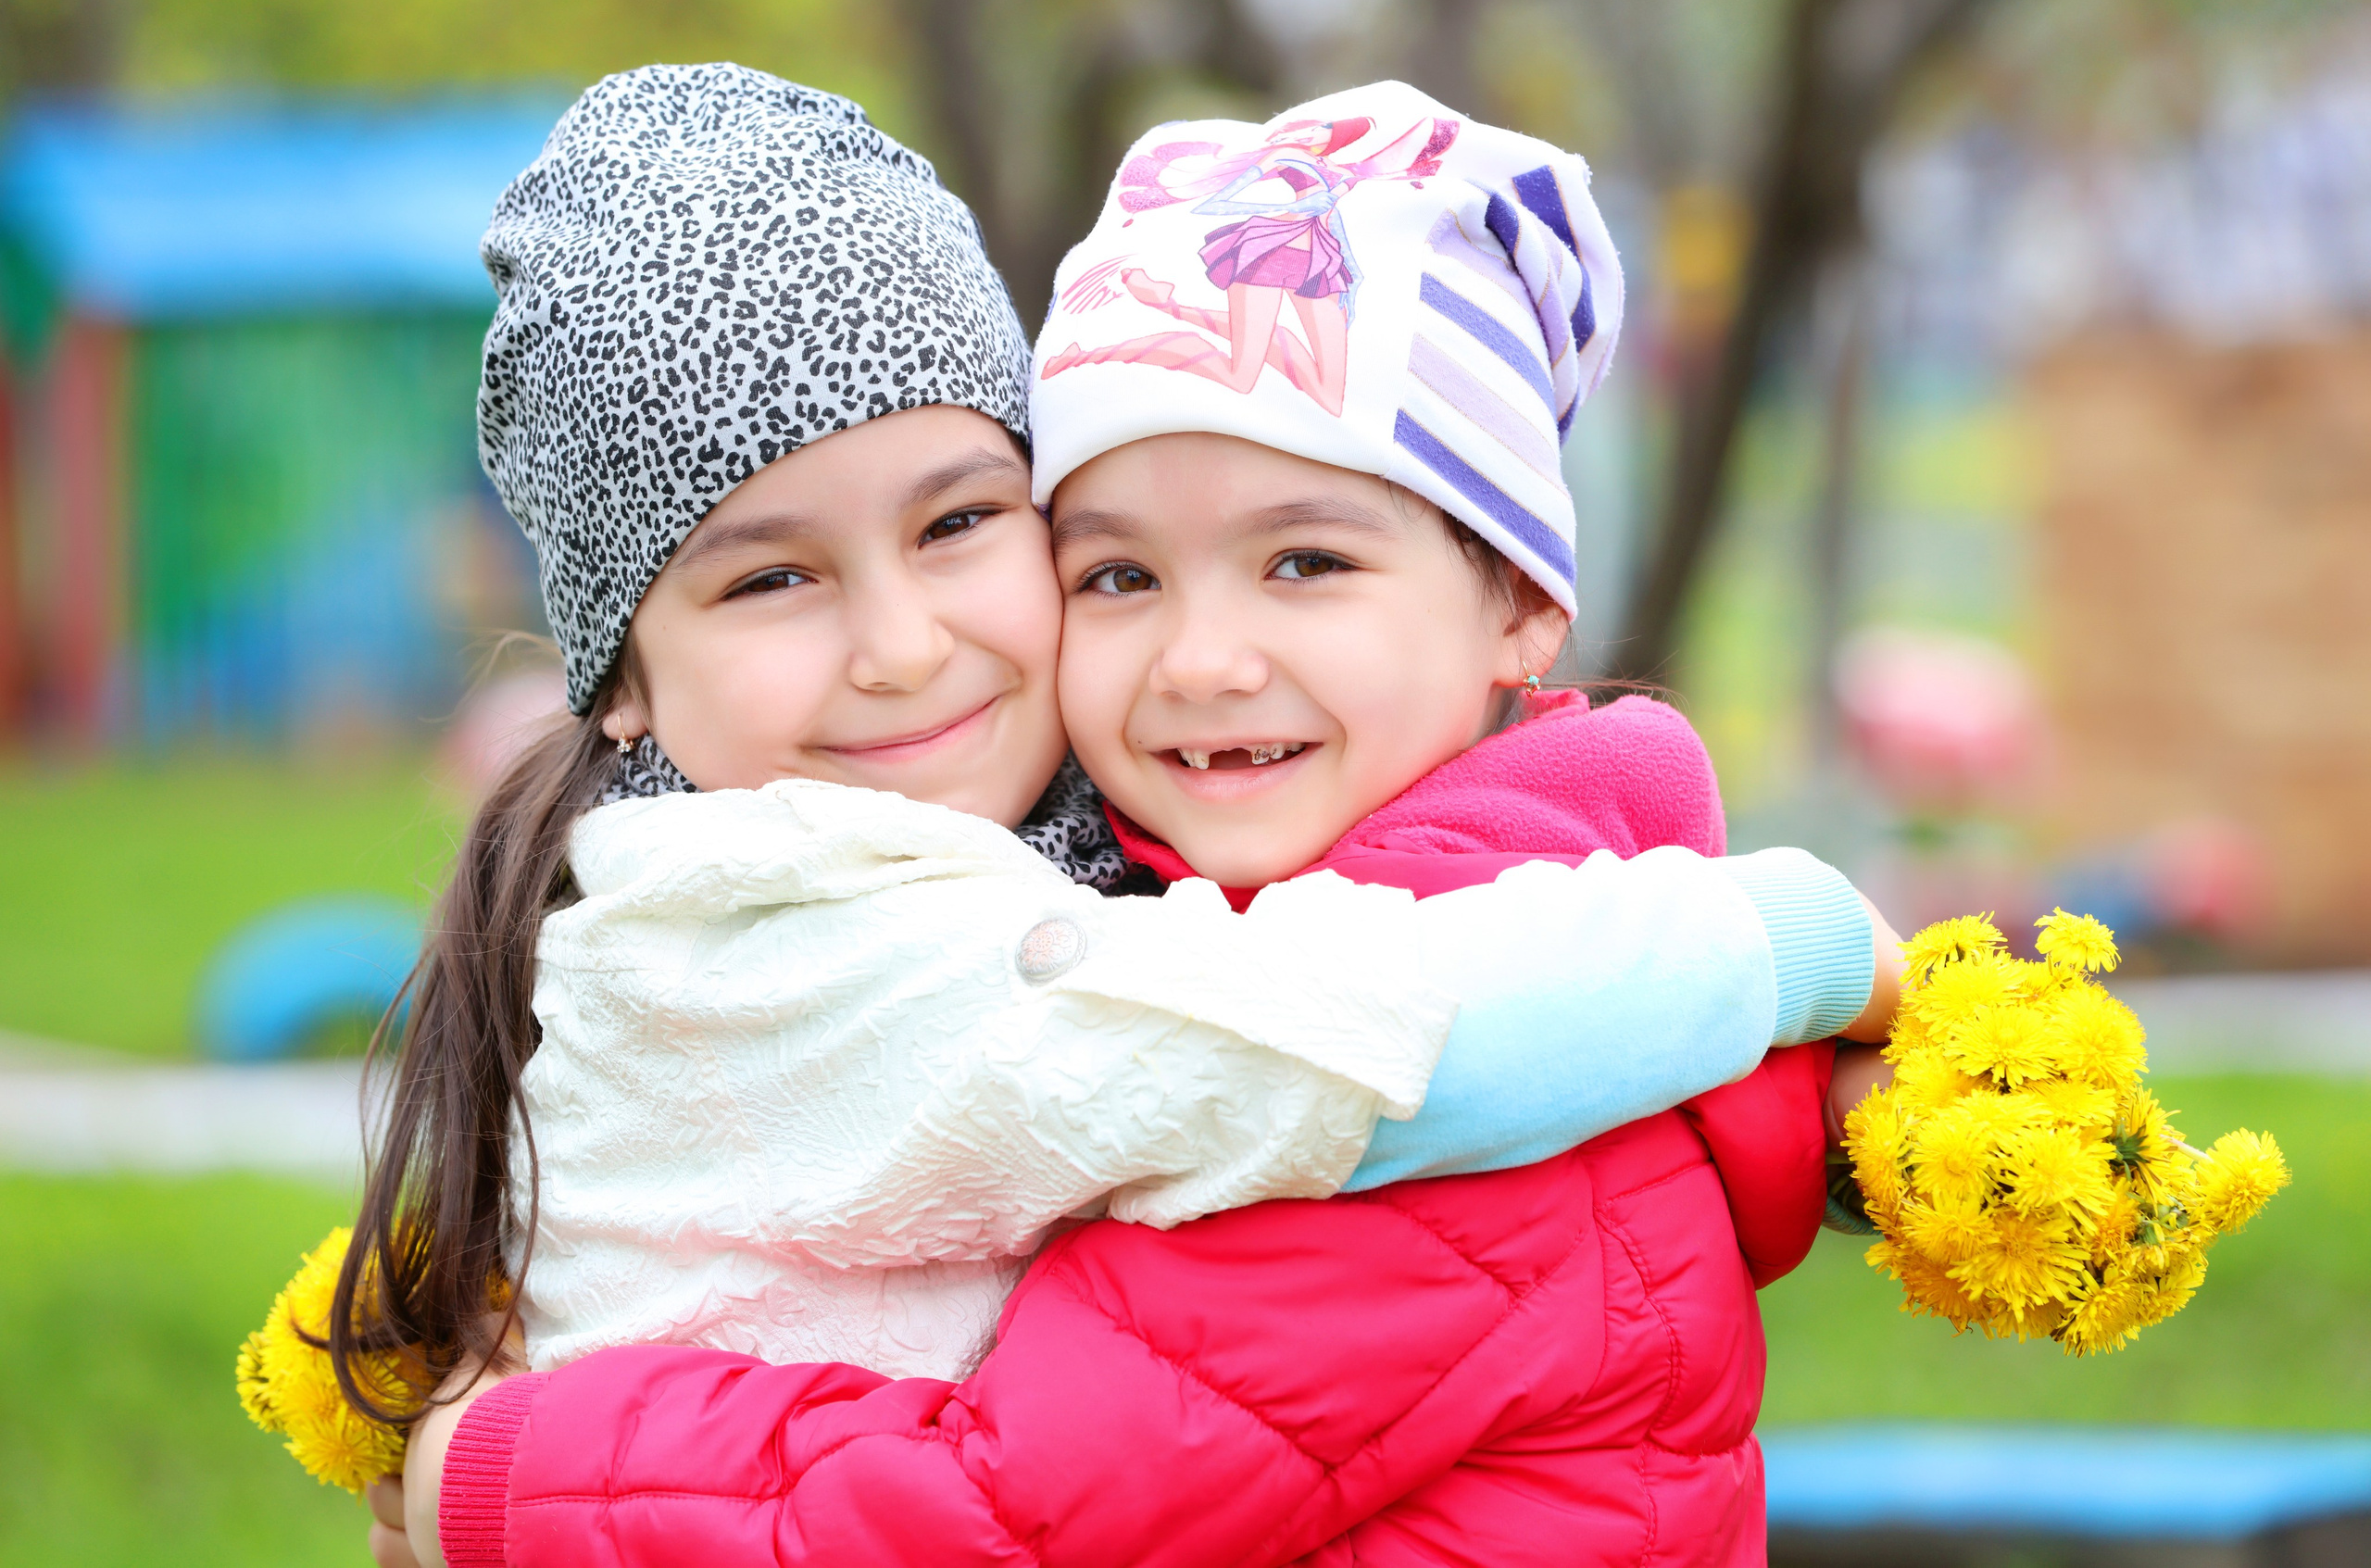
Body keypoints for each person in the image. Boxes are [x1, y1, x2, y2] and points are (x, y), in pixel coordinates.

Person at [379, 78, 1899, 1568]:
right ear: (620, 679)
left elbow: (1023, 1499)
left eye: (961, 522)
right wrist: (1772, 948)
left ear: (1517, 599)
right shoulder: (794, 936)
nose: (902, 645)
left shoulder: (1441, 1058)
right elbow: (1285, 1051)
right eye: (1120, 574)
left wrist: (506, 1481)